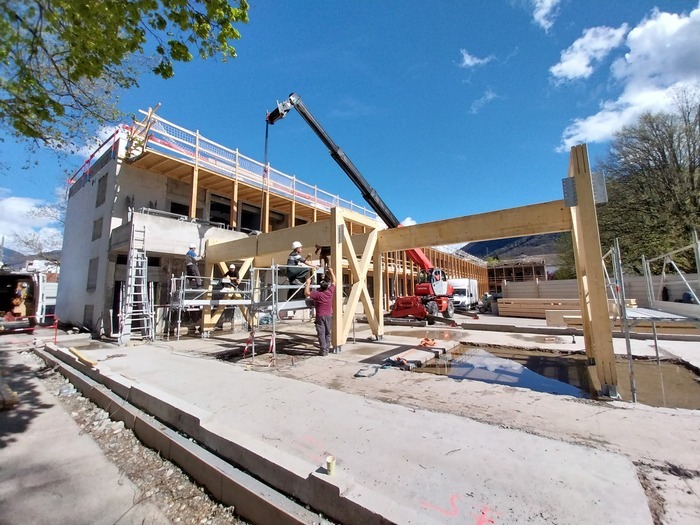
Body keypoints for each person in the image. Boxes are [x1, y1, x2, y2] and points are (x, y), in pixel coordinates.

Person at [304, 268, 335, 356]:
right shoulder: (329, 292)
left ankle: (323, 350)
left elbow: (306, 293)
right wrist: (331, 271)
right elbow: (334, 282)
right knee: (327, 333)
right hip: (328, 315)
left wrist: (308, 283)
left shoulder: (317, 294)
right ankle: (327, 348)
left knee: (321, 333)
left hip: (320, 316)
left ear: (320, 287)